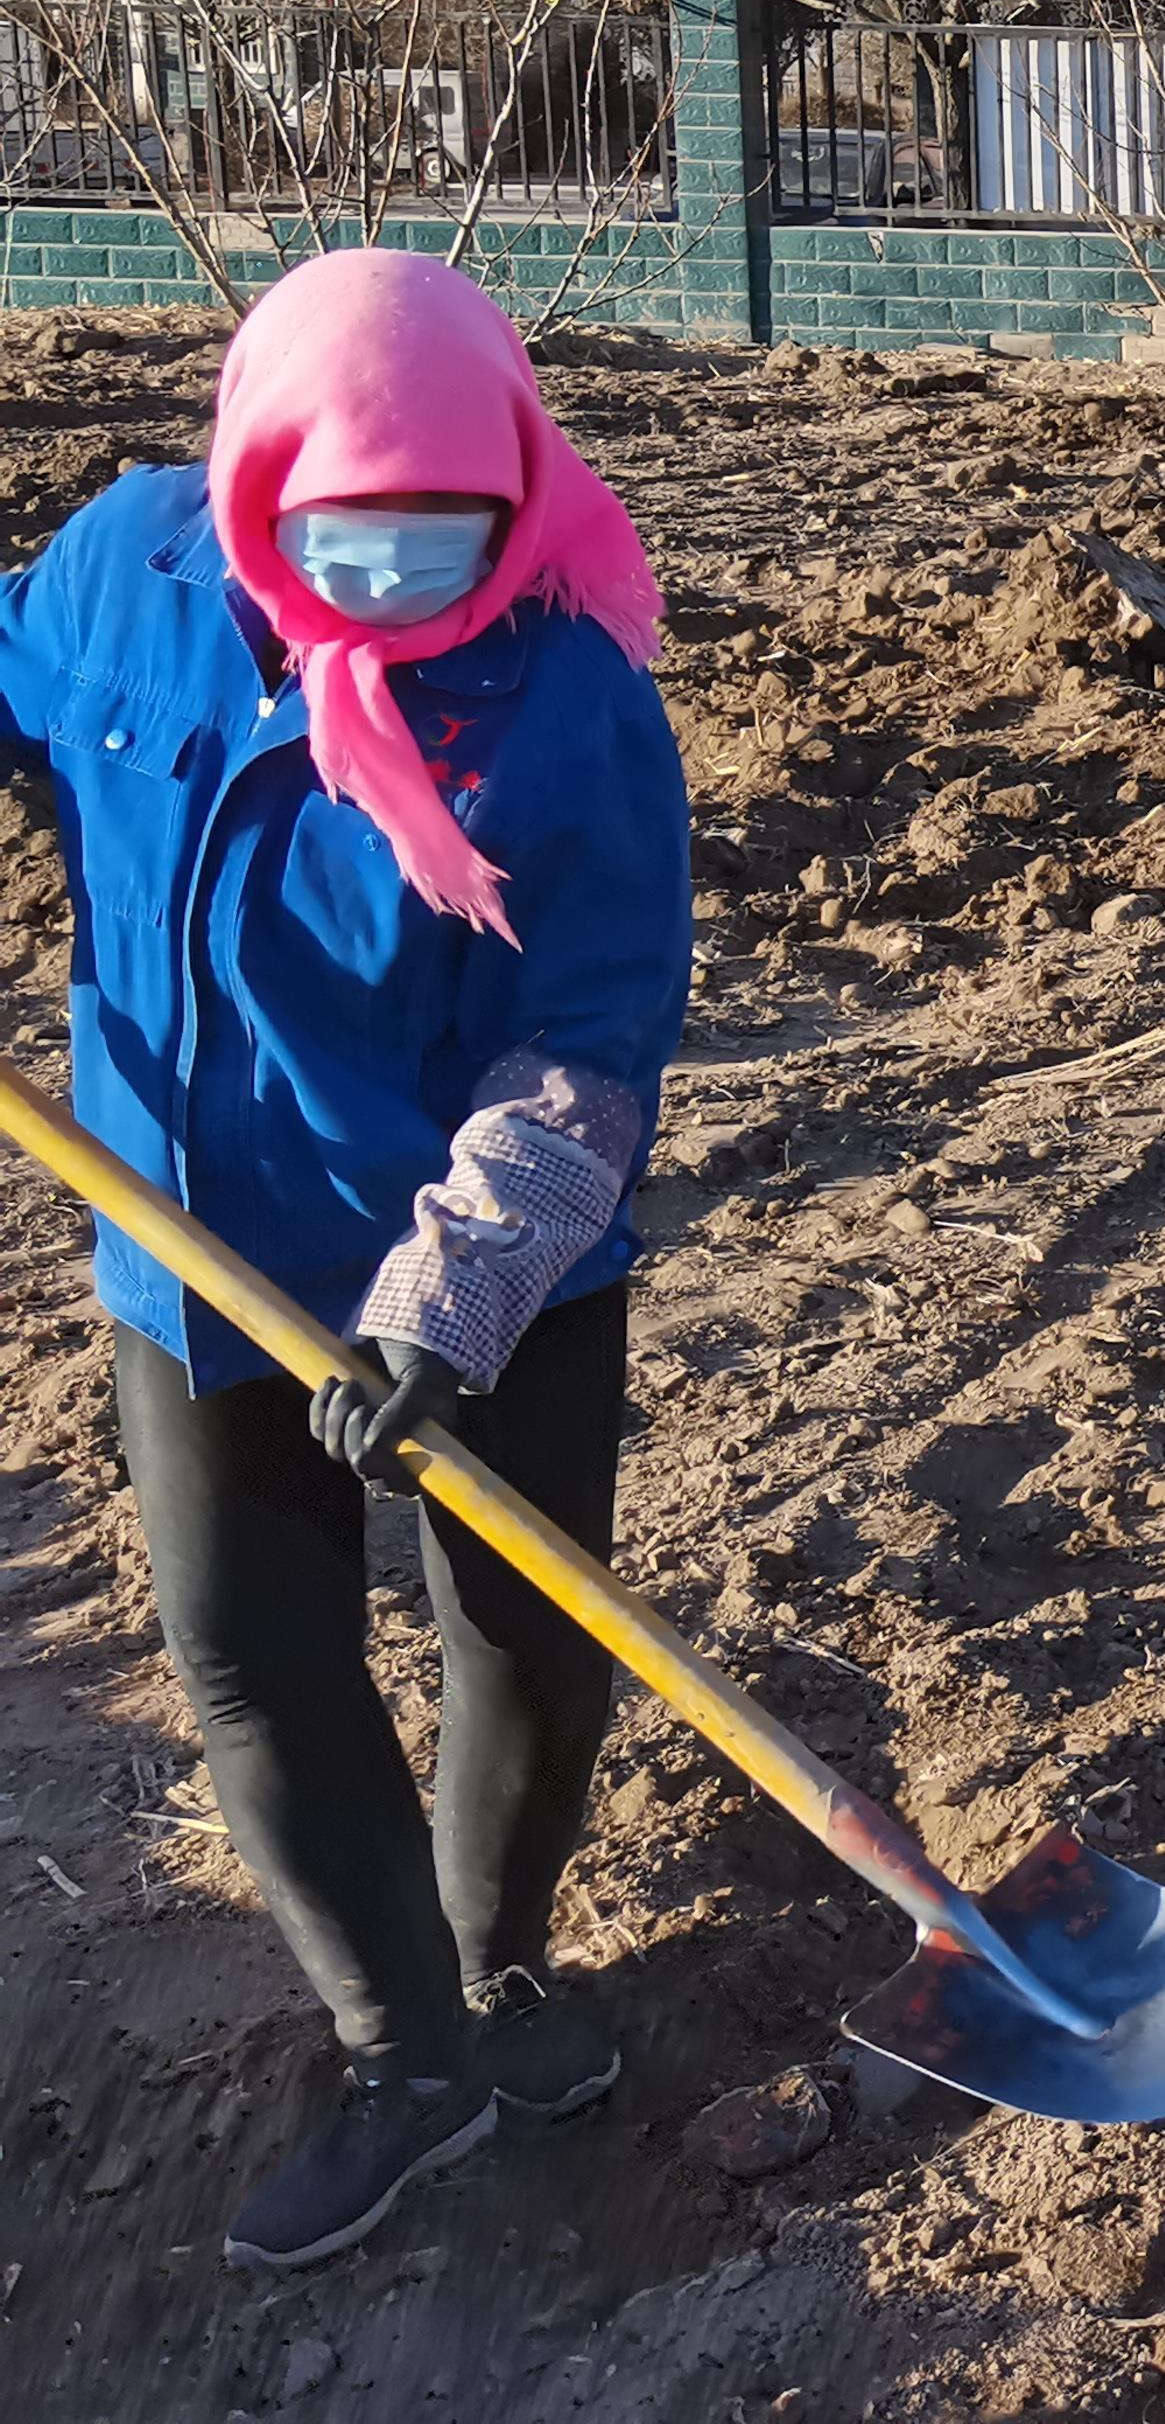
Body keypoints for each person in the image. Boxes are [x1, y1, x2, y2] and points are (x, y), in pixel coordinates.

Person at [0, 251, 692, 2273]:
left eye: (436, 544)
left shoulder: (569, 701)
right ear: (258, 482)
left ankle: (503, 1970)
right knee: (249, 1652)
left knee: (529, 1642)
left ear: (511, 491)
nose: (389, 589)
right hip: (190, 1253)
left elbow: (587, 1043)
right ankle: (405, 2056)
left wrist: (451, 1299)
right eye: (342, 542)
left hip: (483, 1286)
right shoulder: (133, 573)